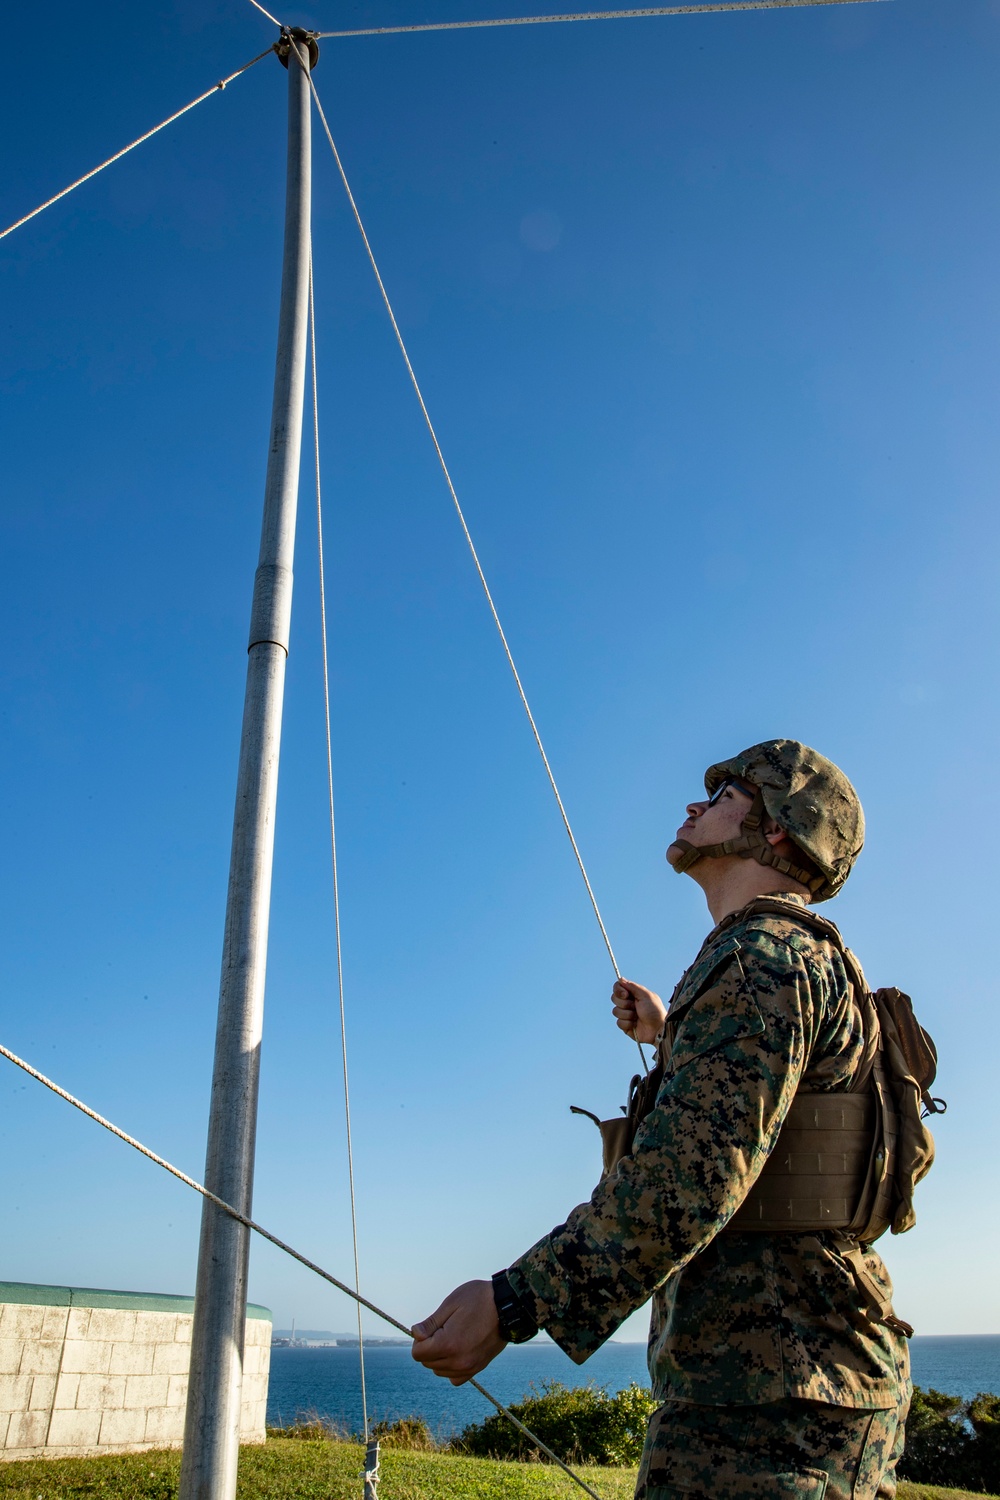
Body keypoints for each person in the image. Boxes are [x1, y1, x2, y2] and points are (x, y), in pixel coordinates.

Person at [411, 739, 914, 1500]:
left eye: (721, 797)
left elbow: (689, 1179)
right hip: (792, 1382)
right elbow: (771, 1115)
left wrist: (514, 1300)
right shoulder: (787, 958)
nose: (693, 806)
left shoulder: (761, 959)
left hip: (774, 1405)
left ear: (776, 827)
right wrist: (668, 1029)